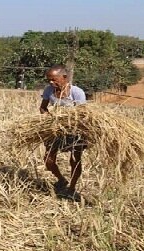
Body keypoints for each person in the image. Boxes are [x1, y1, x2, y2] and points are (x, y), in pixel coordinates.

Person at [39, 64, 87, 201]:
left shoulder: (76, 92)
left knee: (75, 160)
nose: (51, 82)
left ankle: (71, 188)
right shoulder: (49, 90)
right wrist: (48, 117)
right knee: (48, 159)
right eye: (49, 79)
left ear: (64, 77)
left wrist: (68, 121)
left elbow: (82, 113)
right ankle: (61, 179)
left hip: (74, 129)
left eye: (54, 79)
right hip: (55, 128)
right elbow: (43, 108)